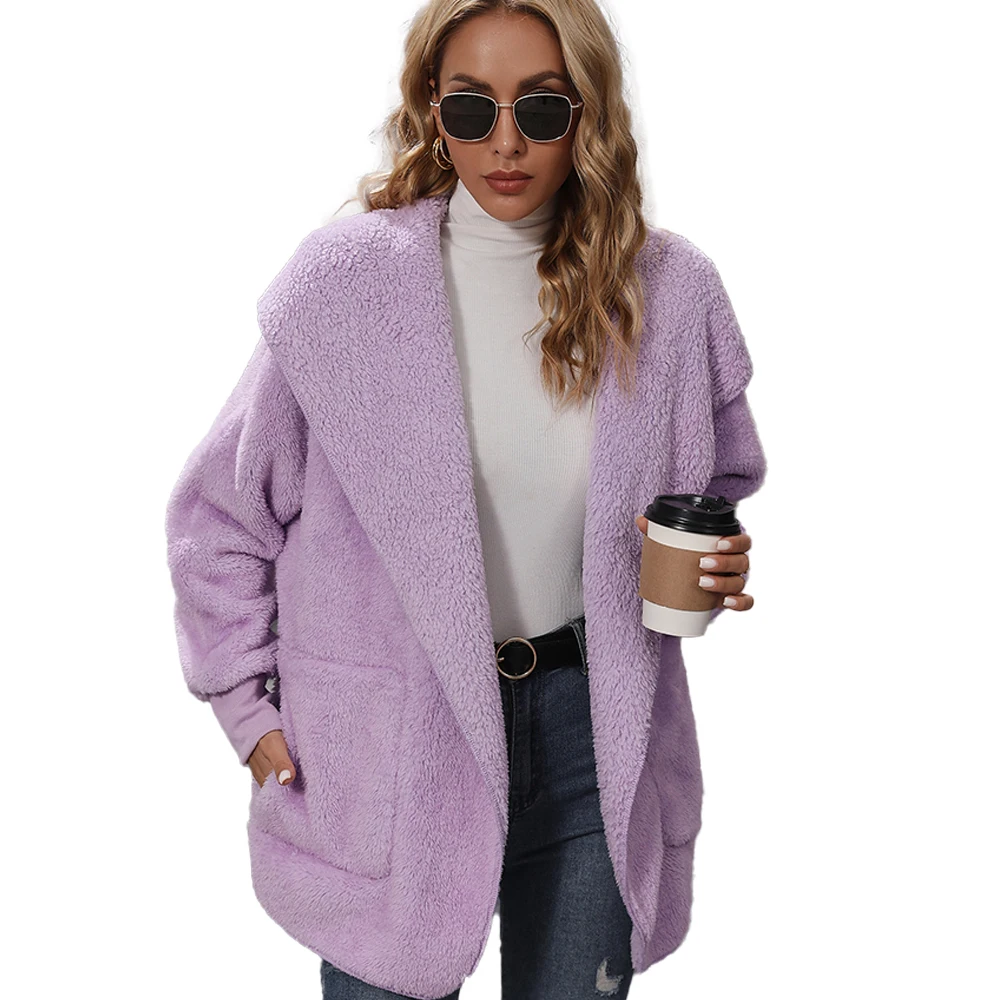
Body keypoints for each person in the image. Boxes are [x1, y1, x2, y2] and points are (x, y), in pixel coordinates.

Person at [164, 1, 767, 998]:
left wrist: (717, 556)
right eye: (471, 108)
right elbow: (218, 520)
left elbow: (712, 485)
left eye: (542, 108)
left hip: (594, 738)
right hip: (393, 743)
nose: (505, 142)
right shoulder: (344, 288)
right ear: (432, 113)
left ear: (588, 113)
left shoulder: (669, 293)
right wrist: (244, 703)